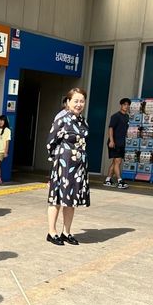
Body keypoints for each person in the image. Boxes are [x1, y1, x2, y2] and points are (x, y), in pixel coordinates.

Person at [46, 87, 90, 246]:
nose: (79, 104)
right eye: (76, 101)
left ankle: (67, 232)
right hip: (63, 165)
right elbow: (50, 142)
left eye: (82, 101)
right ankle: (52, 232)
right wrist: (58, 160)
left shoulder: (83, 121)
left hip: (78, 166)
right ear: (68, 102)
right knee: (57, 198)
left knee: (71, 200)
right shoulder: (62, 119)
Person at [104, 98, 131, 189]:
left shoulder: (127, 116)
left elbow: (124, 129)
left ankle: (108, 179)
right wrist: (111, 141)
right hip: (114, 142)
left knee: (115, 162)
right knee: (118, 161)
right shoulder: (115, 116)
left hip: (121, 142)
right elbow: (111, 128)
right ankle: (120, 181)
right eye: (124, 104)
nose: (126, 106)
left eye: (127, 105)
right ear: (121, 105)